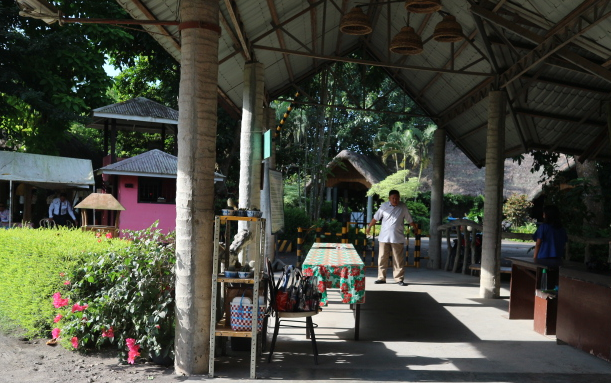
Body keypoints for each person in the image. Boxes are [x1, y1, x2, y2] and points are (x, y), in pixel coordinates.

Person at [365, 190, 416, 286]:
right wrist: (369, 227)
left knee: (398, 259)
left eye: (397, 198)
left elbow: (409, 219)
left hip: (397, 237)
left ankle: (399, 279)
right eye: (393, 198)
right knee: (382, 258)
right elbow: (375, 218)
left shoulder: (403, 206)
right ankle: (381, 278)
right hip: (384, 237)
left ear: (399, 198)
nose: (395, 200)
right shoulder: (383, 206)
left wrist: (415, 227)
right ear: (389, 198)